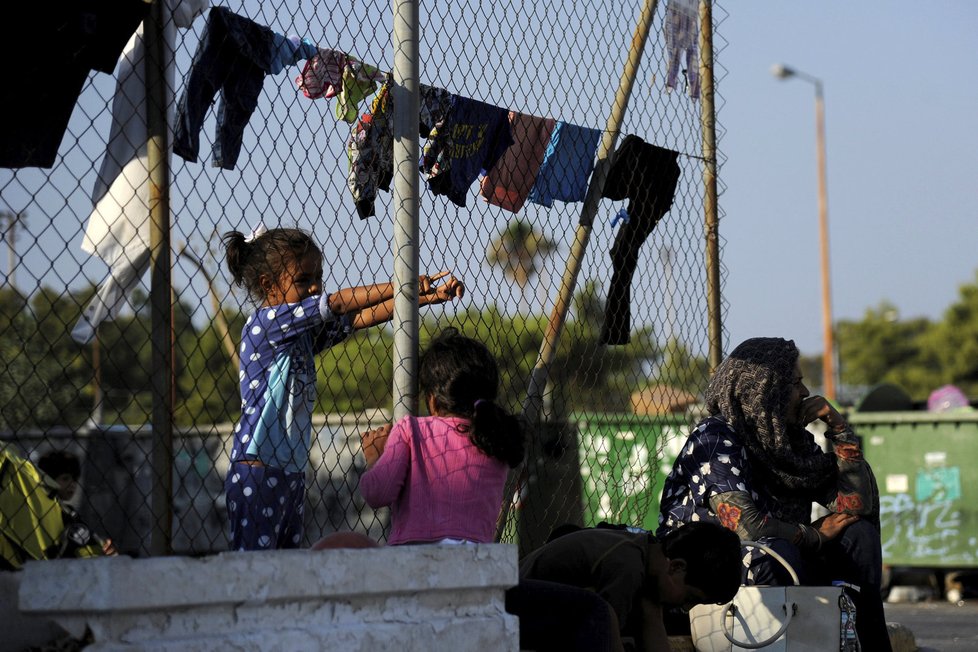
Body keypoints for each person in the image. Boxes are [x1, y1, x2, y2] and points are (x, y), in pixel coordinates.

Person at [222, 226, 464, 551]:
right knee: (254, 566)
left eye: (318, 277)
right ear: (268, 285)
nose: (315, 287)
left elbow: (357, 318)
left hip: (289, 471)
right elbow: (335, 305)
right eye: (303, 279)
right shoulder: (266, 324)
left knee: (284, 565)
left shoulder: (301, 336)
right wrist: (402, 285)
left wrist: (421, 298)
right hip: (258, 470)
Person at [657, 337, 891, 651]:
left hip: (784, 556)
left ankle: (868, 644)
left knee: (857, 534)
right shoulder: (715, 437)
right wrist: (813, 536)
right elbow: (747, 528)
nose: (806, 393)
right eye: (795, 383)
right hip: (712, 570)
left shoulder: (788, 443)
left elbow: (857, 506)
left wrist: (839, 427)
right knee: (777, 552)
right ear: (765, 390)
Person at [357, 328, 525, 545]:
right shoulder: (496, 439)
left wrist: (375, 457)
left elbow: (377, 493)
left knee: (347, 542)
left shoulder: (411, 430)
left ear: (433, 401)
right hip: (477, 557)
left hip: (417, 557)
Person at [513, 521, 742, 652]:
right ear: (676, 568)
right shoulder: (628, 568)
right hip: (518, 617)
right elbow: (604, 638)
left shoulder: (647, 556)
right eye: (690, 598)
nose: (686, 607)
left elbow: (653, 629)